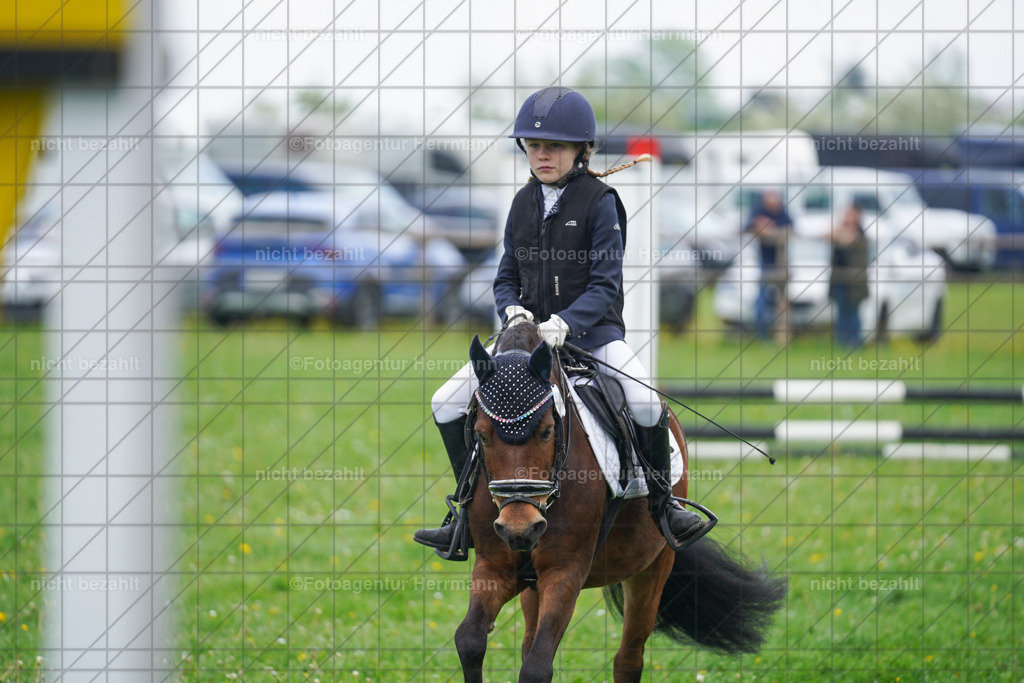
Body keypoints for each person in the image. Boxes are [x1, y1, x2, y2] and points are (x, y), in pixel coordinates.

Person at [414, 86, 707, 558]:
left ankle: (663, 505)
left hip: (593, 337)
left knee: (646, 401)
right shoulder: (521, 203)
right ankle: (464, 515)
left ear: (580, 150)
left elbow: (606, 283)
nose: (543, 155)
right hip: (524, 344)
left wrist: (565, 323)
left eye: (554, 146)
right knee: (446, 401)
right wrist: (511, 309)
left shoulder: (600, 202)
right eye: (534, 146)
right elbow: (506, 274)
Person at [745, 190, 793, 342]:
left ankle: (779, 336)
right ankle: (763, 335)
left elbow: (791, 227)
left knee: (780, 300)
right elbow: (748, 225)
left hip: (781, 264)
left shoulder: (783, 214)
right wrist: (759, 225)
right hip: (764, 263)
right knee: (762, 300)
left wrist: (770, 228)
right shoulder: (759, 211)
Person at [829, 203, 870, 348]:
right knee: (842, 313)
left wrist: (841, 231)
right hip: (840, 281)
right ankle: (843, 342)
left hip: (855, 284)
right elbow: (828, 235)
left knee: (853, 314)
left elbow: (847, 239)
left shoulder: (860, 234)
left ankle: (855, 342)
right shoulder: (841, 231)